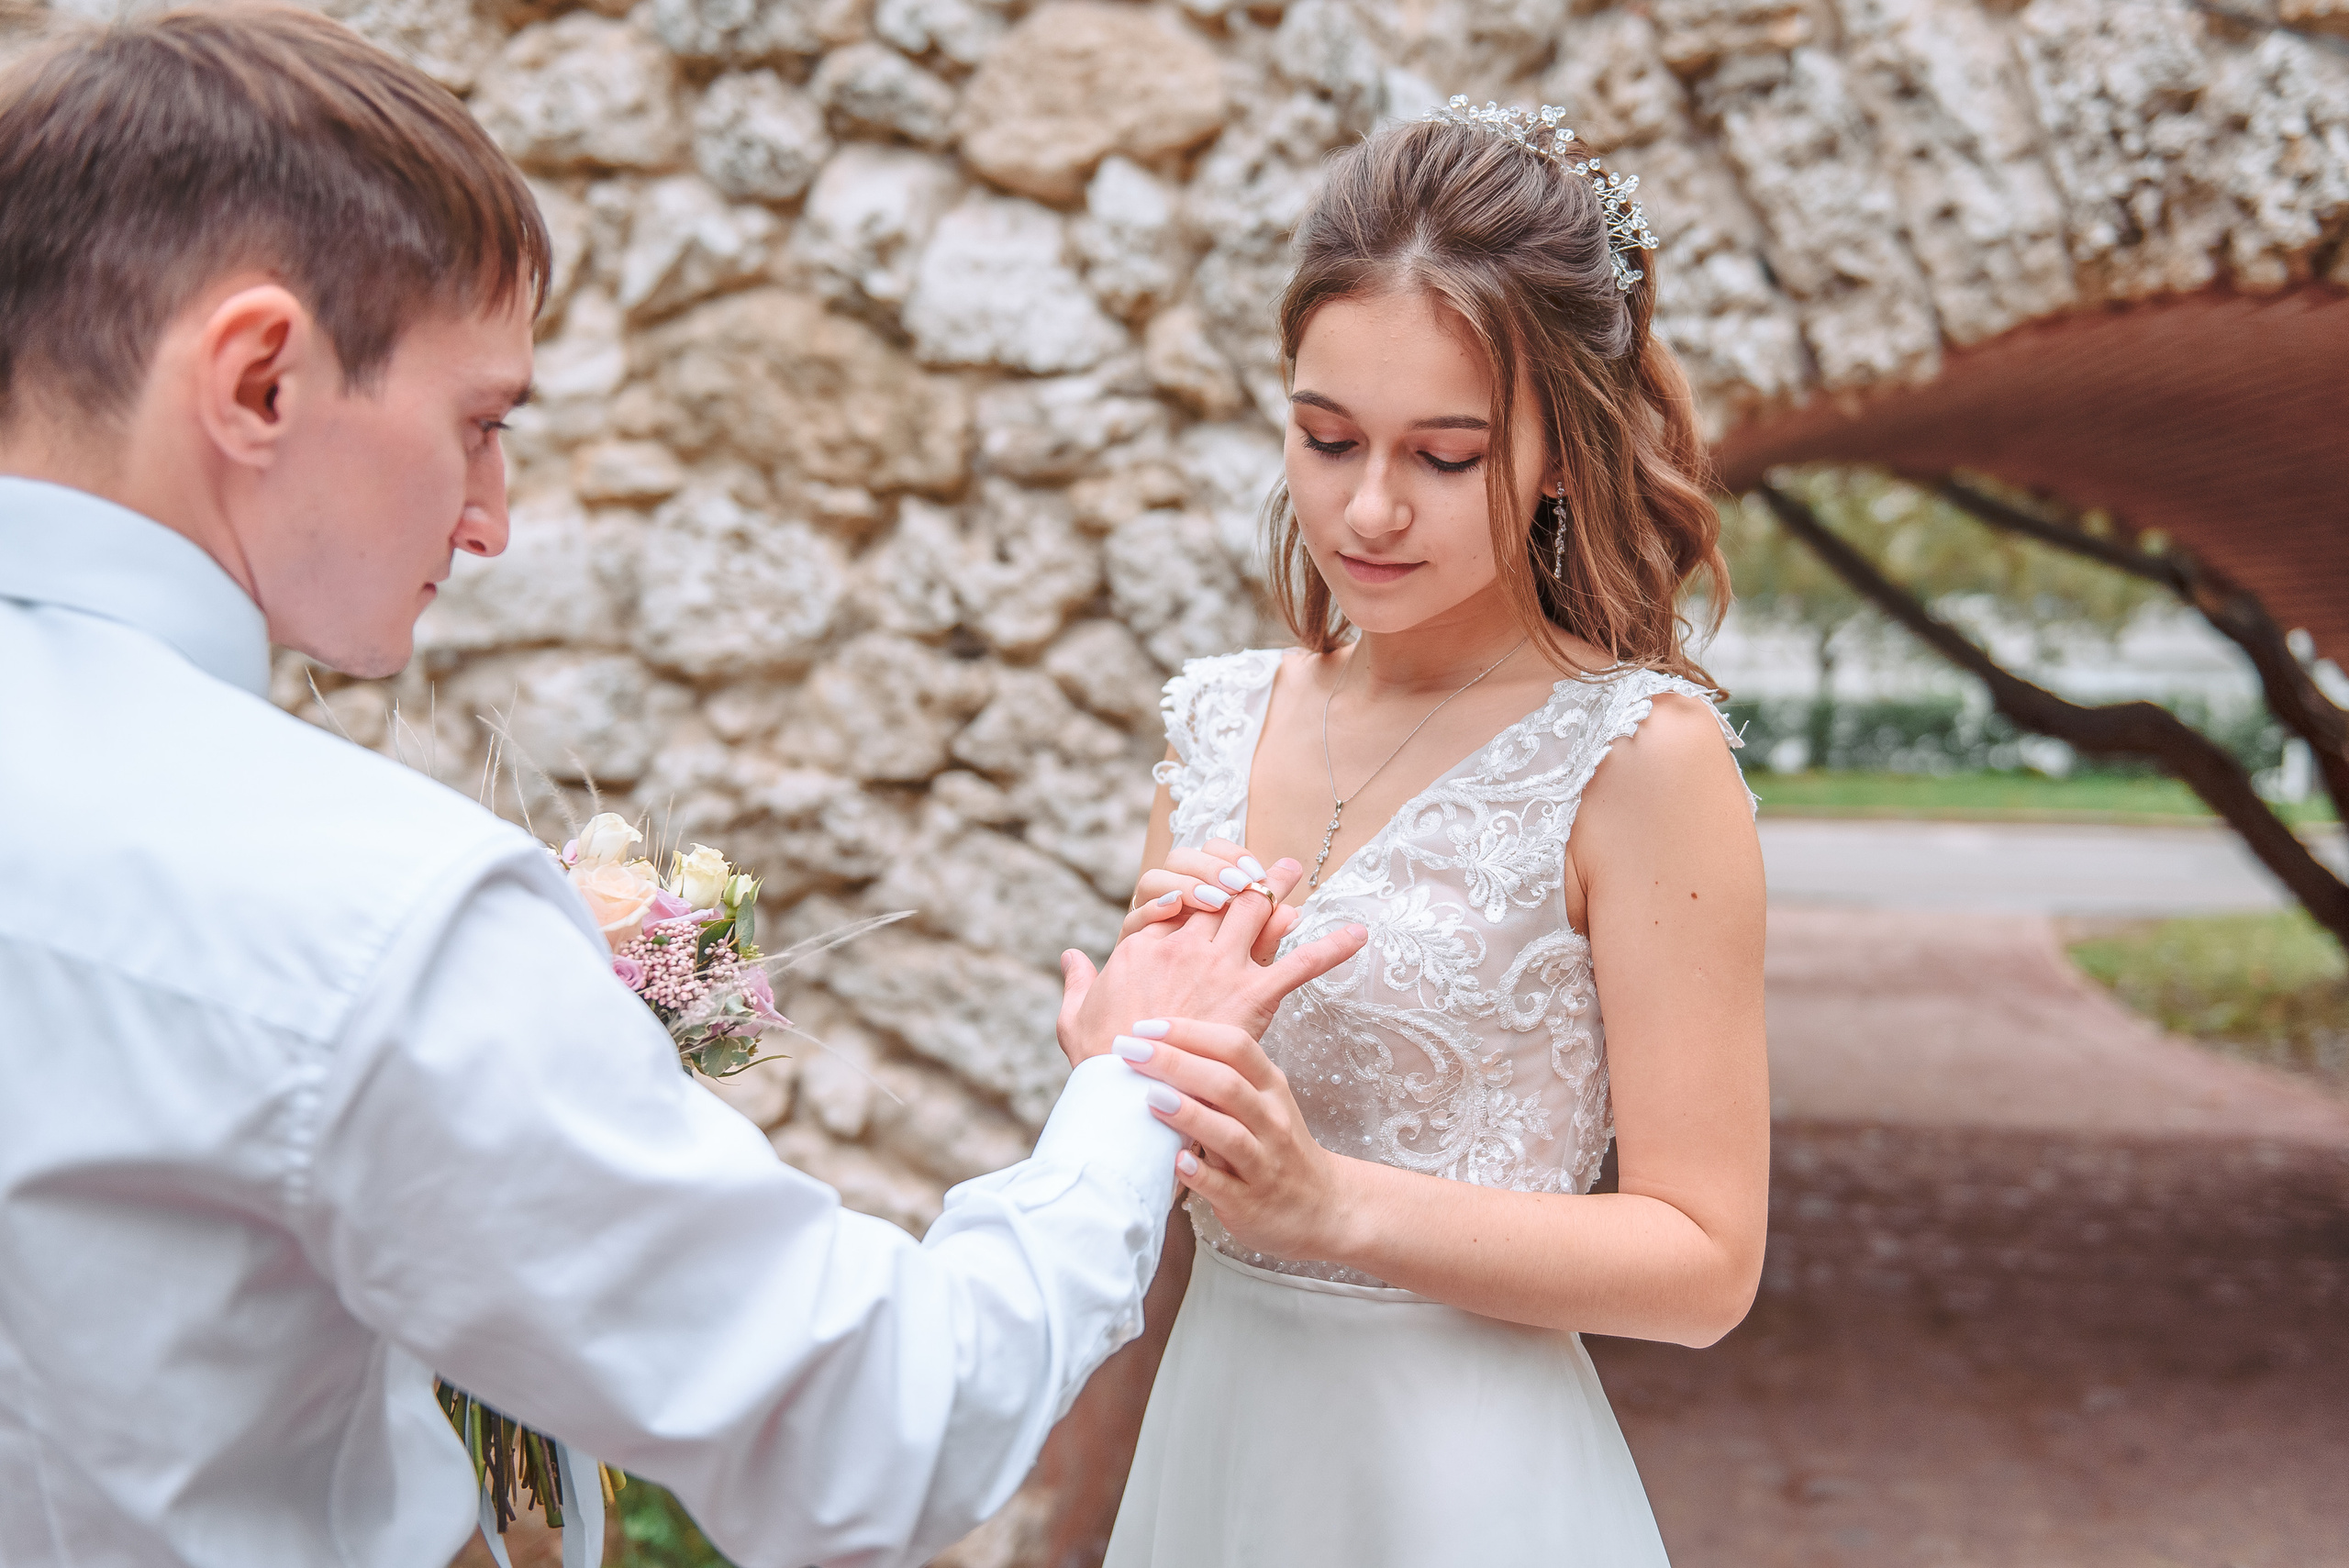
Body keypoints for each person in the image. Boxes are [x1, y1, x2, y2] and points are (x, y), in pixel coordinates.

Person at [0, 10, 1364, 1567]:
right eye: (481, 422)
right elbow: (876, 1428)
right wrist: (1130, 1077)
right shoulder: (368, 916)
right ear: (258, 384)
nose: (493, 516)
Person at [1079, 104, 1772, 1564]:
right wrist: (1118, 1077)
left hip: (1468, 1486)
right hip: (1215, 1456)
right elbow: (1149, 1206)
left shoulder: (1641, 759)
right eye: (1325, 438)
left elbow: (1706, 1260)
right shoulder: (1214, 725)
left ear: (1566, 455)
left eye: (1446, 457)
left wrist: (1330, 1203)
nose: (1368, 507)